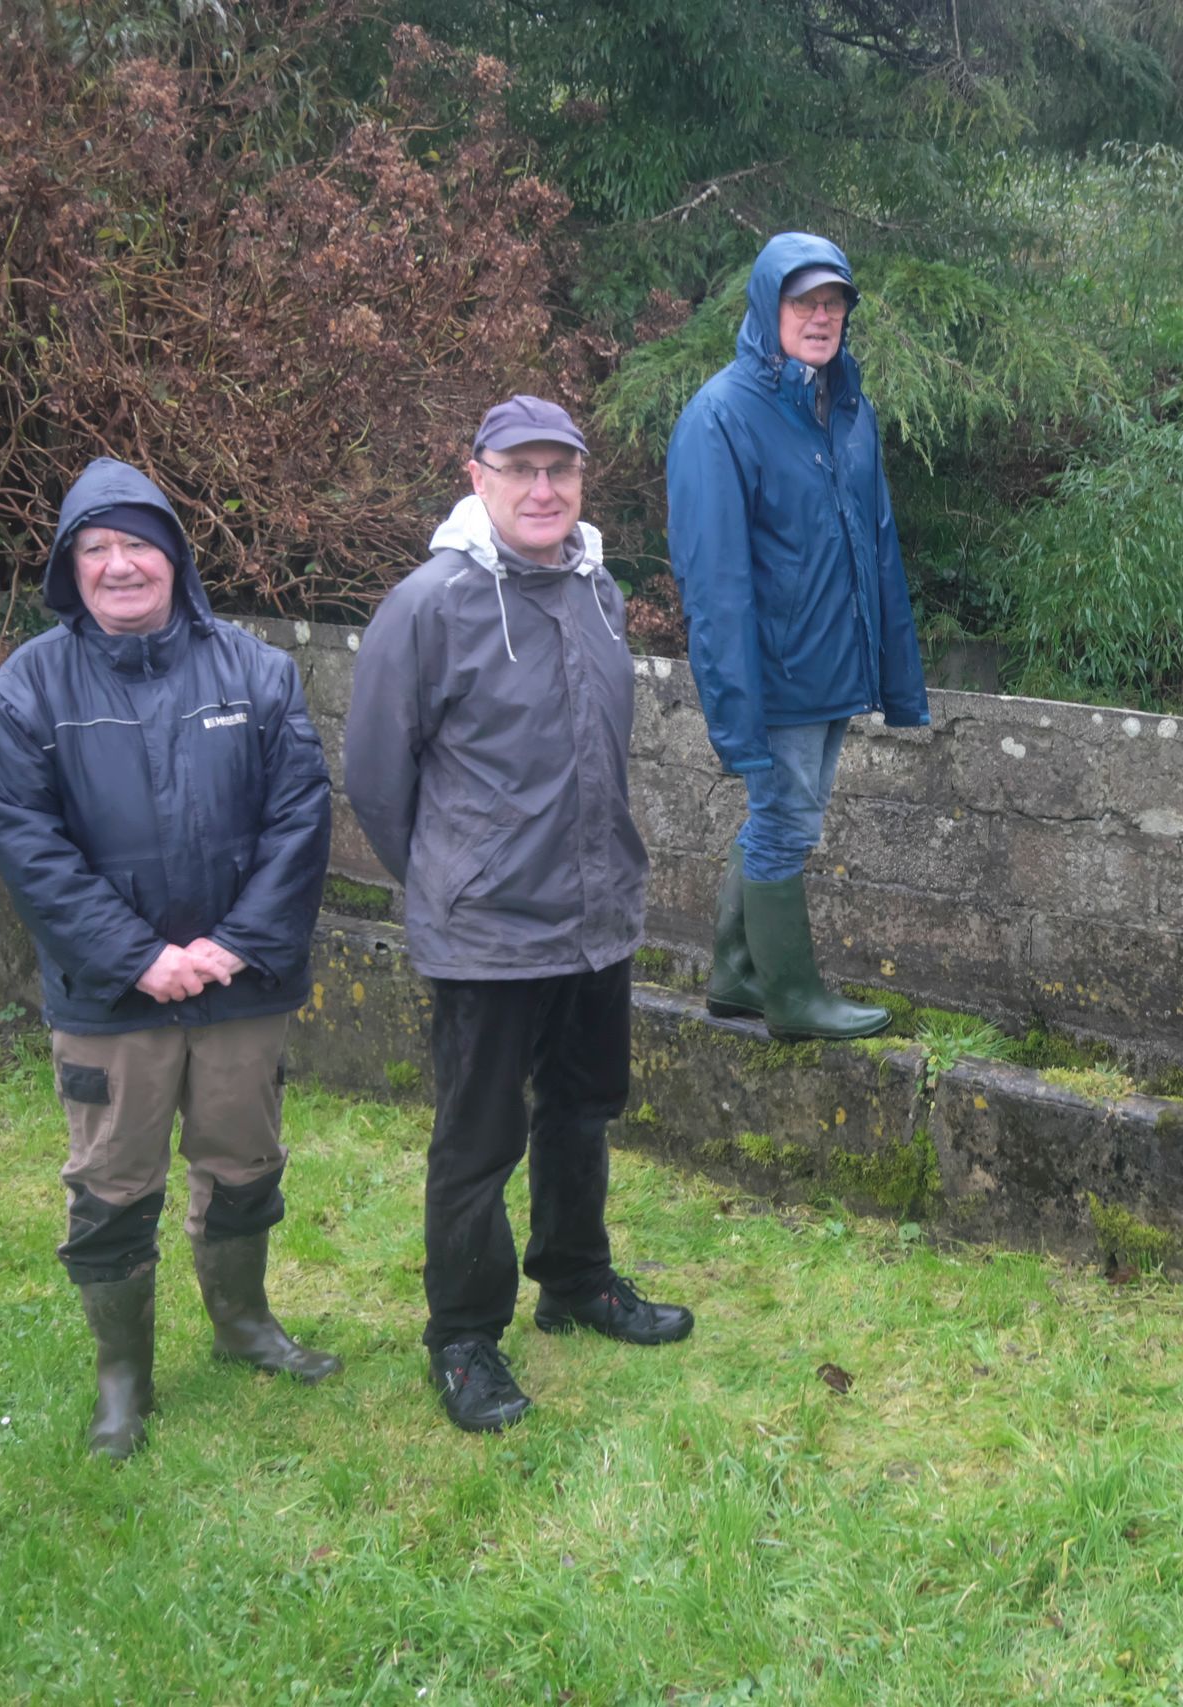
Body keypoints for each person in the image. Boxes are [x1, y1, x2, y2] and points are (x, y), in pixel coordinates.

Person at [0, 458, 340, 1462]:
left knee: (245, 1164)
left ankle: (244, 1325)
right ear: (68, 568)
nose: (120, 565)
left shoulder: (256, 674)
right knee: (111, 1186)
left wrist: (235, 943)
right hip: (110, 998)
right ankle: (122, 1378)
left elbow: (300, 818)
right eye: (95, 548)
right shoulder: (23, 692)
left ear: (175, 557)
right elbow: (30, 850)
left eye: (138, 543)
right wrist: (137, 957)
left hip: (237, 986)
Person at [344, 396, 691, 1437]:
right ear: (478, 476)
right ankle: (462, 1335)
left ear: (582, 479)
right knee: (478, 1138)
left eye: (561, 470)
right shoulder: (429, 605)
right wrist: (454, 879)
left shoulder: (598, 590)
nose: (544, 489)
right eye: (521, 469)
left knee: (582, 1107)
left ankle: (575, 1280)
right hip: (488, 931)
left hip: (594, 914)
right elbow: (376, 778)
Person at [665, 232, 930, 1042]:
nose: (821, 317)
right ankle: (791, 995)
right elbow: (714, 582)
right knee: (784, 822)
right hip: (776, 669)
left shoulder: (847, 409)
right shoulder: (720, 416)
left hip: (834, 661)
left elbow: (877, 544)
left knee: (789, 818)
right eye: (804, 302)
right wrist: (734, 699)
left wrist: (891, 668)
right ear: (767, 307)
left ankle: (736, 974)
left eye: (834, 303)